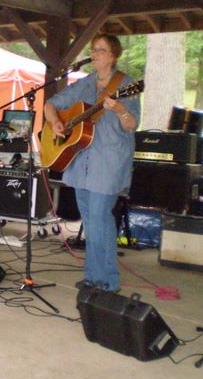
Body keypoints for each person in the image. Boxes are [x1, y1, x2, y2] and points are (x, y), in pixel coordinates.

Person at [44, 33, 140, 292]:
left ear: (113, 56)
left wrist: (120, 109)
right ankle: (93, 277)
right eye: (93, 49)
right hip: (80, 161)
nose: (94, 54)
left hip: (108, 163)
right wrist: (56, 122)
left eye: (101, 50)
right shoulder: (84, 83)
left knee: (98, 219)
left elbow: (132, 125)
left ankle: (107, 280)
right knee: (91, 220)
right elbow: (50, 104)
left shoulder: (126, 84)